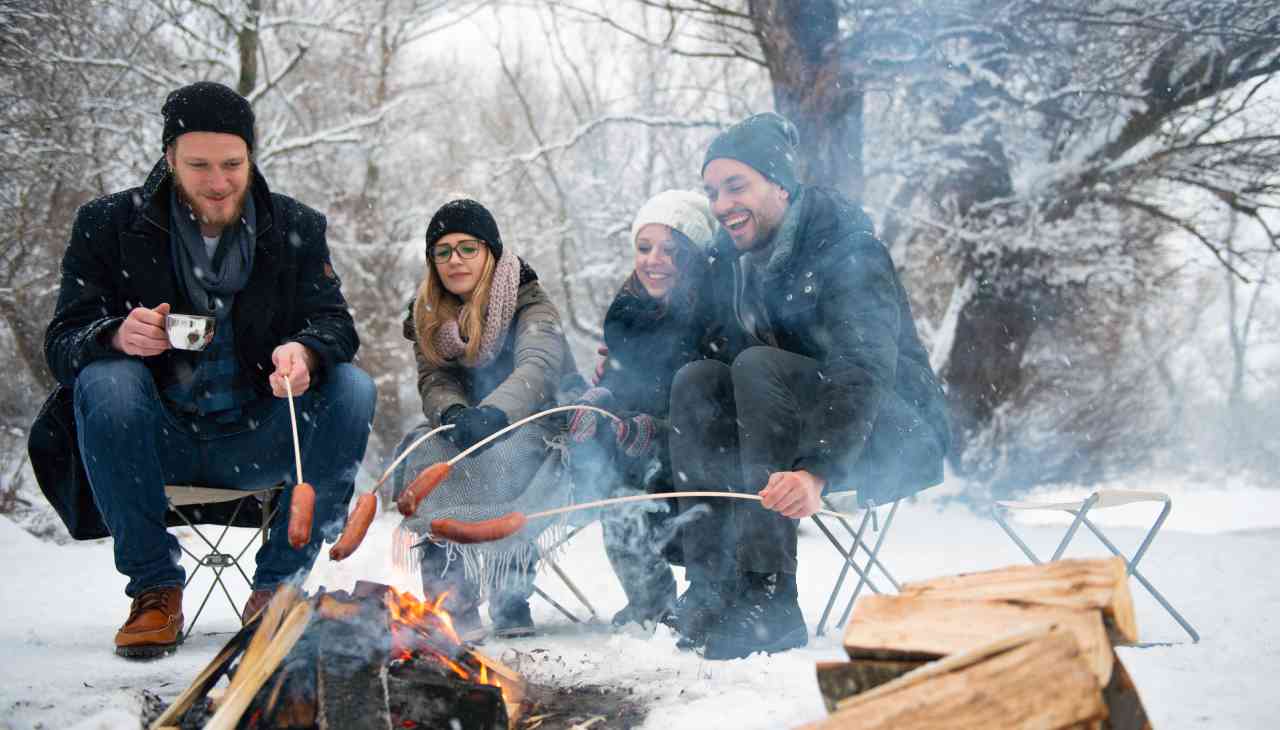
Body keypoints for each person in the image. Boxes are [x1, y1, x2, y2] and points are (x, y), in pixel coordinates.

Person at [28, 81, 376, 659]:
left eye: (232, 163)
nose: (219, 182)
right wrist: (114, 334)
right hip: (154, 437)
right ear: (169, 159)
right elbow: (63, 341)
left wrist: (307, 351)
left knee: (353, 387)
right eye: (199, 165)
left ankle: (277, 589)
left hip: (258, 434)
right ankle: (154, 590)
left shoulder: (295, 226)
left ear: (250, 155)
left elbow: (336, 325)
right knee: (105, 378)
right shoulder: (107, 225)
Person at [670, 112, 951, 660]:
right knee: (697, 379)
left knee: (756, 365)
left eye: (736, 185)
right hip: (789, 420)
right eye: (712, 191)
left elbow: (863, 363)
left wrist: (816, 468)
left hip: (886, 428)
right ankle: (711, 585)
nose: (723, 204)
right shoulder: (728, 264)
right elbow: (696, 355)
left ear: (779, 183)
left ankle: (770, 596)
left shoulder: (848, 249)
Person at [391, 198, 578, 640]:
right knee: (427, 453)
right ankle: (450, 597)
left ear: (490, 252)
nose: (455, 259)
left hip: (536, 423)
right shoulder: (429, 316)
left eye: (468, 247)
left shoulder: (531, 303)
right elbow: (434, 379)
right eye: (443, 251)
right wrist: (453, 412)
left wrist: (495, 413)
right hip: (465, 428)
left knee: (512, 452)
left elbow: (536, 368)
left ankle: (512, 591)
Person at [566, 190, 715, 631]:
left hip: (700, 451)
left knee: (638, 483)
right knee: (617, 496)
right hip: (638, 451)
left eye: (671, 250)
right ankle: (650, 599)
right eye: (644, 248)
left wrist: (660, 428)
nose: (655, 260)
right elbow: (619, 378)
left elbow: (713, 402)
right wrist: (599, 401)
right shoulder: (627, 309)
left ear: (693, 255)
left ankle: (709, 597)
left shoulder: (713, 311)